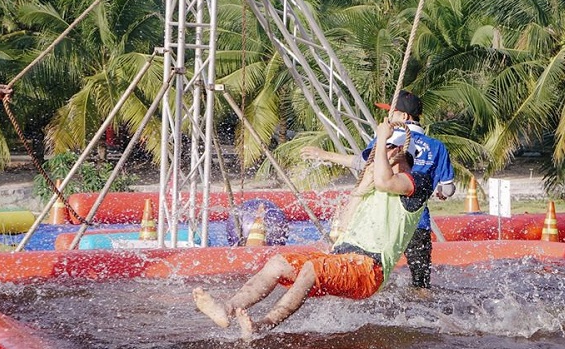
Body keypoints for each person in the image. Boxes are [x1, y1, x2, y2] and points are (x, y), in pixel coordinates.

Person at [193, 119, 434, 335]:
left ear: (398, 152)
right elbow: (344, 226)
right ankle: (227, 309)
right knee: (277, 263)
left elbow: (386, 180)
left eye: (382, 150)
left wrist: (381, 139)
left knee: (311, 268)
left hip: (369, 269)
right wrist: (360, 189)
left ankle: (262, 326)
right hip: (342, 259)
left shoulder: (417, 183)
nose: (374, 158)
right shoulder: (372, 186)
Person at [302, 90, 455, 290]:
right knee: (421, 283)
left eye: (392, 113)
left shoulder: (388, 140)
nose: (387, 117)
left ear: (403, 116)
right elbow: (448, 189)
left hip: (382, 221)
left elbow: (363, 164)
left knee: (369, 274)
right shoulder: (437, 146)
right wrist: (440, 192)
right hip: (417, 223)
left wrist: (325, 155)